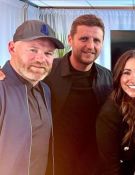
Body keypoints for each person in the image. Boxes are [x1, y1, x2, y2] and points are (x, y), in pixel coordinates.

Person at [43, 14, 113, 175]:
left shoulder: (108, 78)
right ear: (70, 39)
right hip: (54, 165)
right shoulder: (48, 71)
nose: (90, 46)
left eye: (96, 40)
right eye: (84, 39)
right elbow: (22, 75)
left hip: (94, 167)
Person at [0, 20, 64, 174]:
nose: (41, 59)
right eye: (33, 50)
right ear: (12, 48)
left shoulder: (45, 90)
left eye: (48, 53)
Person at [96, 49, 135, 175]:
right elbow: (110, 166)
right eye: (126, 72)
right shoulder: (109, 114)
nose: (133, 79)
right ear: (119, 76)